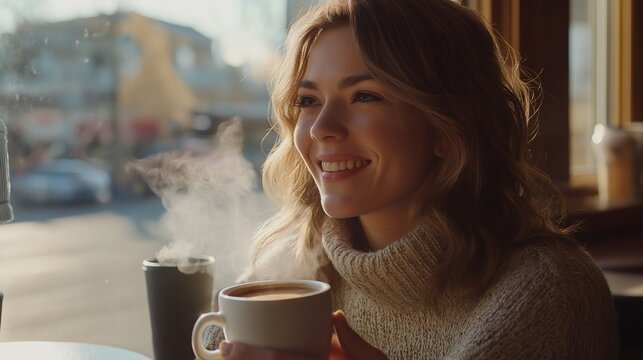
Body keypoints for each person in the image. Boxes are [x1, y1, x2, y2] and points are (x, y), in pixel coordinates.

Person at [206, 0, 619, 359]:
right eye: (308, 101)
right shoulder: (296, 260)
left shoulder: (547, 292)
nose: (320, 128)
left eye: (365, 96)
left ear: (447, 126)